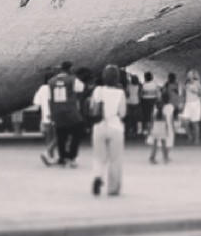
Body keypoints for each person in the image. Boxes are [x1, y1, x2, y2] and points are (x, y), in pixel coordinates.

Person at [90, 64, 126, 196]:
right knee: (115, 159)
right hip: (115, 127)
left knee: (99, 157)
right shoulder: (120, 93)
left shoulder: (97, 91)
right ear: (117, 78)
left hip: (99, 127)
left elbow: (92, 107)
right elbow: (122, 113)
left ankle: (97, 177)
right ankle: (113, 188)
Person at [48, 61, 85, 167]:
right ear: (70, 69)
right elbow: (81, 88)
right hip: (71, 111)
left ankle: (62, 158)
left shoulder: (51, 81)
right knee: (78, 132)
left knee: (61, 136)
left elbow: (50, 97)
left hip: (57, 111)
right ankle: (71, 156)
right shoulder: (73, 79)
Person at [33, 73, 59, 166]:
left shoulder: (41, 89)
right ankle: (47, 152)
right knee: (59, 136)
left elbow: (37, 103)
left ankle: (51, 158)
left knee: (49, 138)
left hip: (45, 117)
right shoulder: (54, 88)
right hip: (55, 116)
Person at [181, 69, 201, 144]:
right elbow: (184, 94)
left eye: (190, 74)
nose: (188, 75)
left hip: (195, 103)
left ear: (193, 75)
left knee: (195, 122)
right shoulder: (186, 83)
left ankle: (196, 139)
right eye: (188, 74)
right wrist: (182, 103)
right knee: (184, 121)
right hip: (188, 103)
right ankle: (190, 136)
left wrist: (196, 92)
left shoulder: (197, 83)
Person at [148, 98, 170, 164]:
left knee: (154, 145)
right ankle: (165, 157)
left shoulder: (154, 115)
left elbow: (151, 124)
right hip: (162, 130)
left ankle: (152, 157)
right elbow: (166, 124)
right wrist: (167, 131)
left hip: (155, 130)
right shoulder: (164, 115)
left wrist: (150, 131)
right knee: (164, 144)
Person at [125, 75, 142, 139]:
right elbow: (139, 95)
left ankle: (128, 131)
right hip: (136, 102)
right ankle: (135, 132)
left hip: (129, 102)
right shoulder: (139, 86)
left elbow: (127, 94)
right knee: (135, 118)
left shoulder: (128, 85)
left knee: (129, 118)